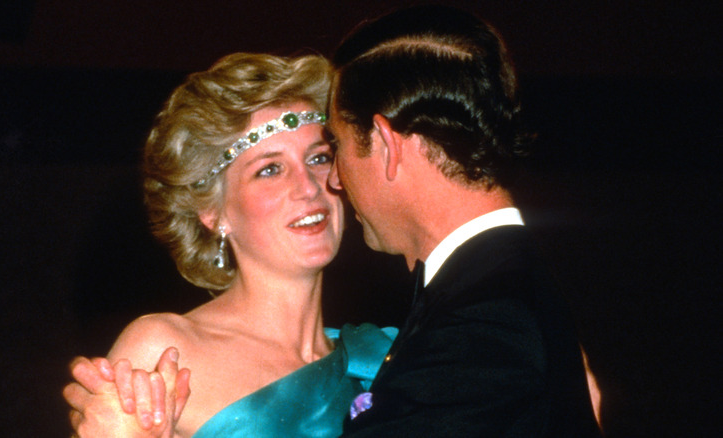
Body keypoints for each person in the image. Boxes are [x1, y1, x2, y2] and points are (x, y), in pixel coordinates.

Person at [63, 52, 396, 437]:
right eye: (270, 169)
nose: (308, 187)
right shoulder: (165, 349)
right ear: (213, 211)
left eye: (319, 158)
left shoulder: (383, 356)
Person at [323, 4, 602, 436]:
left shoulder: (483, 326)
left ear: (385, 144)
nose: (334, 179)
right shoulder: (496, 289)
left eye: (337, 145)